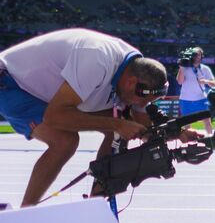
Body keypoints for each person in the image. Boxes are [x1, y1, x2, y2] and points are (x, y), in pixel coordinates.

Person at [0, 28, 198, 207]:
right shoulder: (96, 60)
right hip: (12, 83)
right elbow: (55, 117)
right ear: (131, 82)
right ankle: (26, 214)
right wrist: (119, 124)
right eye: (141, 100)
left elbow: (140, 127)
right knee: (65, 142)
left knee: (118, 132)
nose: (141, 106)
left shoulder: (135, 74)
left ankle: (95, 207)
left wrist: (177, 134)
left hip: (50, 95)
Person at [176, 47, 215, 134]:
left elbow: (214, 84)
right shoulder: (184, 68)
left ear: (201, 56)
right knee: (187, 124)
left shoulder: (205, 68)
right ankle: (189, 144)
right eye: (193, 54)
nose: (195, 56)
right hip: (186, 99)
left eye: (197, 54)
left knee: (207, 122)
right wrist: (181, 67)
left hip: (201, 99)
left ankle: (212, 141)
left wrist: (205, 81)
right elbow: (180, 81)